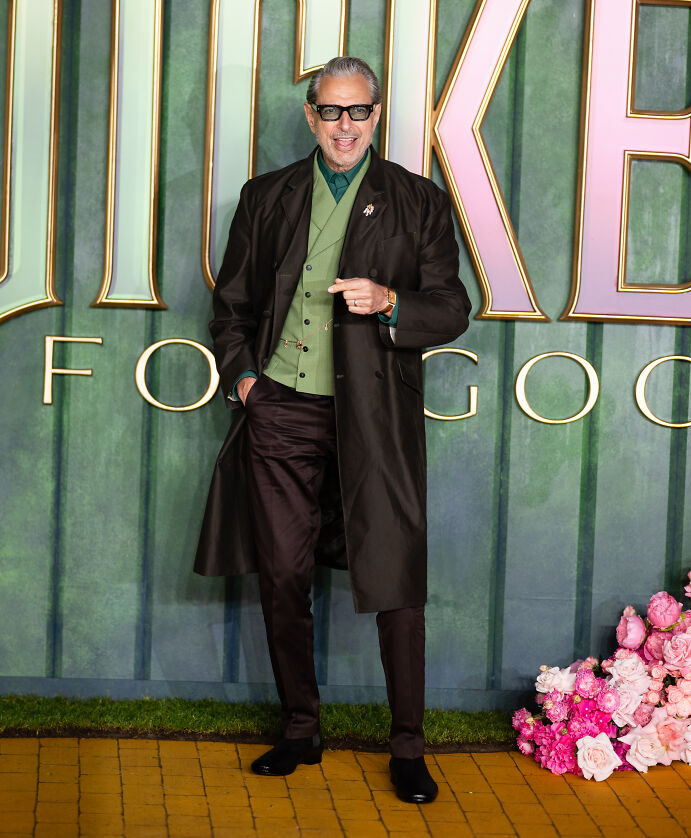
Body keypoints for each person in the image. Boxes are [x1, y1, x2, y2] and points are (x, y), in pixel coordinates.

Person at [195, 56, 471, 804]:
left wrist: (390, 302)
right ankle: (300, 729)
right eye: (330, 111)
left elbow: (452, 308)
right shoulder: (267, 196)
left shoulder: (418, 201)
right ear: (311, 116)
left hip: (374, 417)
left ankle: (408, 748)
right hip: (280, 409)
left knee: (396, 581)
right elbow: (232, 306)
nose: (344, 126)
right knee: (283, 574)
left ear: (376, 115)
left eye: (358, 112)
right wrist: (247, 380)